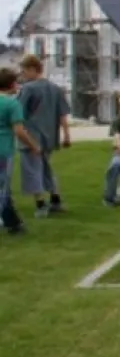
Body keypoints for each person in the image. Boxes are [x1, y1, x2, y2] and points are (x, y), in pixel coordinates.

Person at [16, 54, 71, 217]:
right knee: (47, 168)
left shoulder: (28, 89)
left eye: (24, 71)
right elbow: (63, 115)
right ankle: (55, 199)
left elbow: (18, 113)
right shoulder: (55, 88)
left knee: (32, 170)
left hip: (31, 136)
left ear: (33, 69)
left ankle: (40, 204)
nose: (23, 75)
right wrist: (66, 135)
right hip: (49, 136)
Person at [0, 67, 40, 235]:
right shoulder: (12, 104)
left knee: (4, 190)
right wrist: (33, 146)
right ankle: (11, 222)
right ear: (12, 84)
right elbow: (19, 131)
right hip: (3, 151)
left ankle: (14, 223)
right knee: (2, 189)